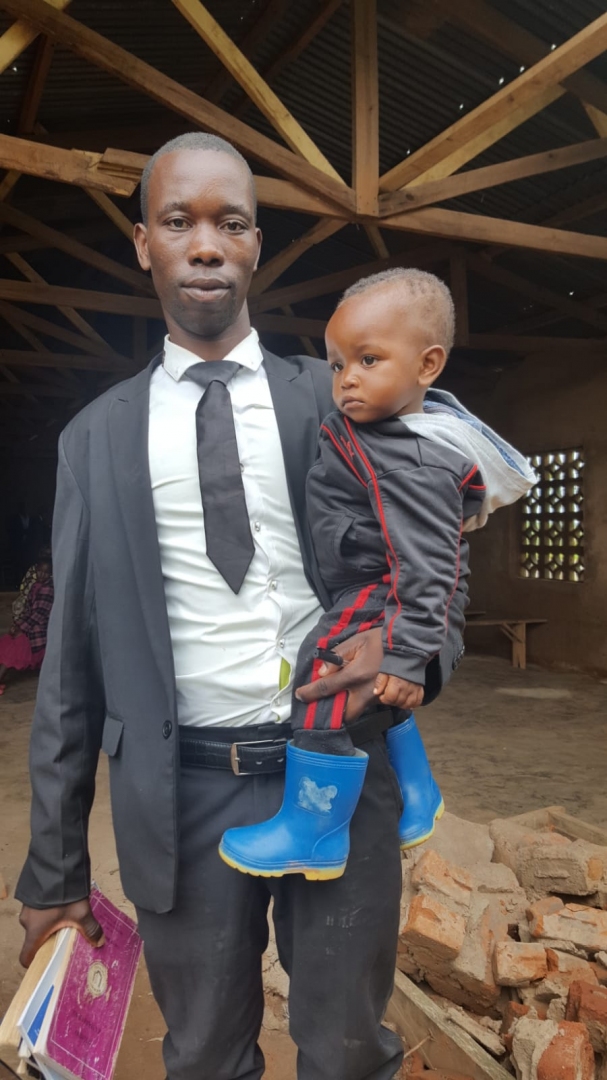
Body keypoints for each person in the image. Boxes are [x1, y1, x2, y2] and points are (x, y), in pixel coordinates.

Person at [15, 133, 467, 1080]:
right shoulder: (94, 440)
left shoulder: (338, 397)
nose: (206, 245)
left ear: (257, 243)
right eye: (179, 222)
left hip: (336, 771)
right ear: (144, 243)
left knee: (348, 1053)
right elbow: (70, 670)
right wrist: (53, 869)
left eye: (230, 223)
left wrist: (415, 655)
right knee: (204, 1056)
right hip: (180, 796)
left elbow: (429, 538)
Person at [220, 269, 536, 881]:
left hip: (380, 589)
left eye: (369, 359)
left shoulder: (412, 459)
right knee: (369, 690)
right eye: (337, 364)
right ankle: (416, 794)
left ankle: (313, 829)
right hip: (371, 581)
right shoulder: (385, 431)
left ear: (428, 365)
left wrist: (408, 654)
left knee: (323, 677)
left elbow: (430, 562)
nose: (347, 379)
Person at [0, 558, 53, 694]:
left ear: (50, 574)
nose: (42, 575)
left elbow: (39, 614)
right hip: (30, 624)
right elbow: (27, 610)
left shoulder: (48, 589)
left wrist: (21, 628)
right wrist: (17, 624)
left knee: (17, 646)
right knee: (9, 640)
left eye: (46, 573)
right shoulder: (35, 585)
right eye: (40, 571)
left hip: (40, 628)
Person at [11, 545, 53, 622]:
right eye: (44, 554)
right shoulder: (35, 569)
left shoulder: (52, 572)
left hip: (42, 612)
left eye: (49, 554)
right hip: (29, 602)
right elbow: (25, 589)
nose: (47, 556)